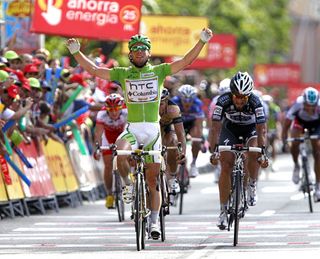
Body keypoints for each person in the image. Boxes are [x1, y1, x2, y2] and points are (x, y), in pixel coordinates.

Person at [66, 28, 213, 239]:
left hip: (153, 130)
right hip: (133, 128)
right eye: (135, 50)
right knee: (121, 152)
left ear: (149, 53)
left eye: (144, 49)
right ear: (130, 54)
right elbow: (96, 70)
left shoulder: (159, 71)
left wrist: (201, 42)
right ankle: (127, 186)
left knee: (152, 182)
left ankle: (154, 222)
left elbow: (185, 61)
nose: (140, 52)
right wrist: (76, 53)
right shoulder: (123, 73)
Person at [209, 71, 268, 230]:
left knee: (254, 152)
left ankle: (252, 184)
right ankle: (222, 211)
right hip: (230, 130)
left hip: (250, 130)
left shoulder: (256, 102)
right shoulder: (223, 100)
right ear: (231, 94)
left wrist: (263, 153)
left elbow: (261, 130)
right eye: (236, 96)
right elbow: (215, 128)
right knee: (226, 165)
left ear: (249, 96)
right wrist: (213, 151)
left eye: (243, 97)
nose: (240, 100)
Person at [281, 87, 320, 201]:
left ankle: (318, 185)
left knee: (317, 151)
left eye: (312, 106)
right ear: (303, 102)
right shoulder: (298, 104)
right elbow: (287, 123)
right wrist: (284, 138)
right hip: (300, 123)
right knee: (295, 142)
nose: (309, 108)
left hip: (316, 124)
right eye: (307, 105)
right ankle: (296, 165)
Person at [93, 94, 127, 209]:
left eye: (116, 109)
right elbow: (98, 134)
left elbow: (130, 131)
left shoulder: (127, 112)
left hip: (123, 135)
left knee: (128, 157)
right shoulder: (101, 115)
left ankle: (129, 179)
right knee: (107, 165)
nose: (113, 112)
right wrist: (97, 148)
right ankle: (109, 195)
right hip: (108, 139)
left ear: (121, 108)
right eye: (110, 110)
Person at [171, 84, 205, 177]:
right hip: (178, 123)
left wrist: (200, 139)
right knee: (173, 139)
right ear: (180, 98)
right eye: (184, 101)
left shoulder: (198, 104)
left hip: (191, 124)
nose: (187, 104)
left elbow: (199, 124)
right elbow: (170, 122)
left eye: (190, 101)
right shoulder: (174, 102)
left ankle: (193, 164)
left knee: (196, 137)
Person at [159, 88, 186, 194]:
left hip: (167, 127)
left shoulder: (173, 109)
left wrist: (182, 153)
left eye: (160, 104)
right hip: (155, 128)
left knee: (173, 142)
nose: (158, 109)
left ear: (166, 102)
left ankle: (172, 177)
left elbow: (180, 134)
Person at [262, 94, 281, 171]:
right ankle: (266, 161)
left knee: (272, 144)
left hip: (271, 129)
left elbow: (277, 121)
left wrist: (278, 132)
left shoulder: (275, 108)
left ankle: (274, 162)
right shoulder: (275, 108)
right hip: (267, 129)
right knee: (267, 145)